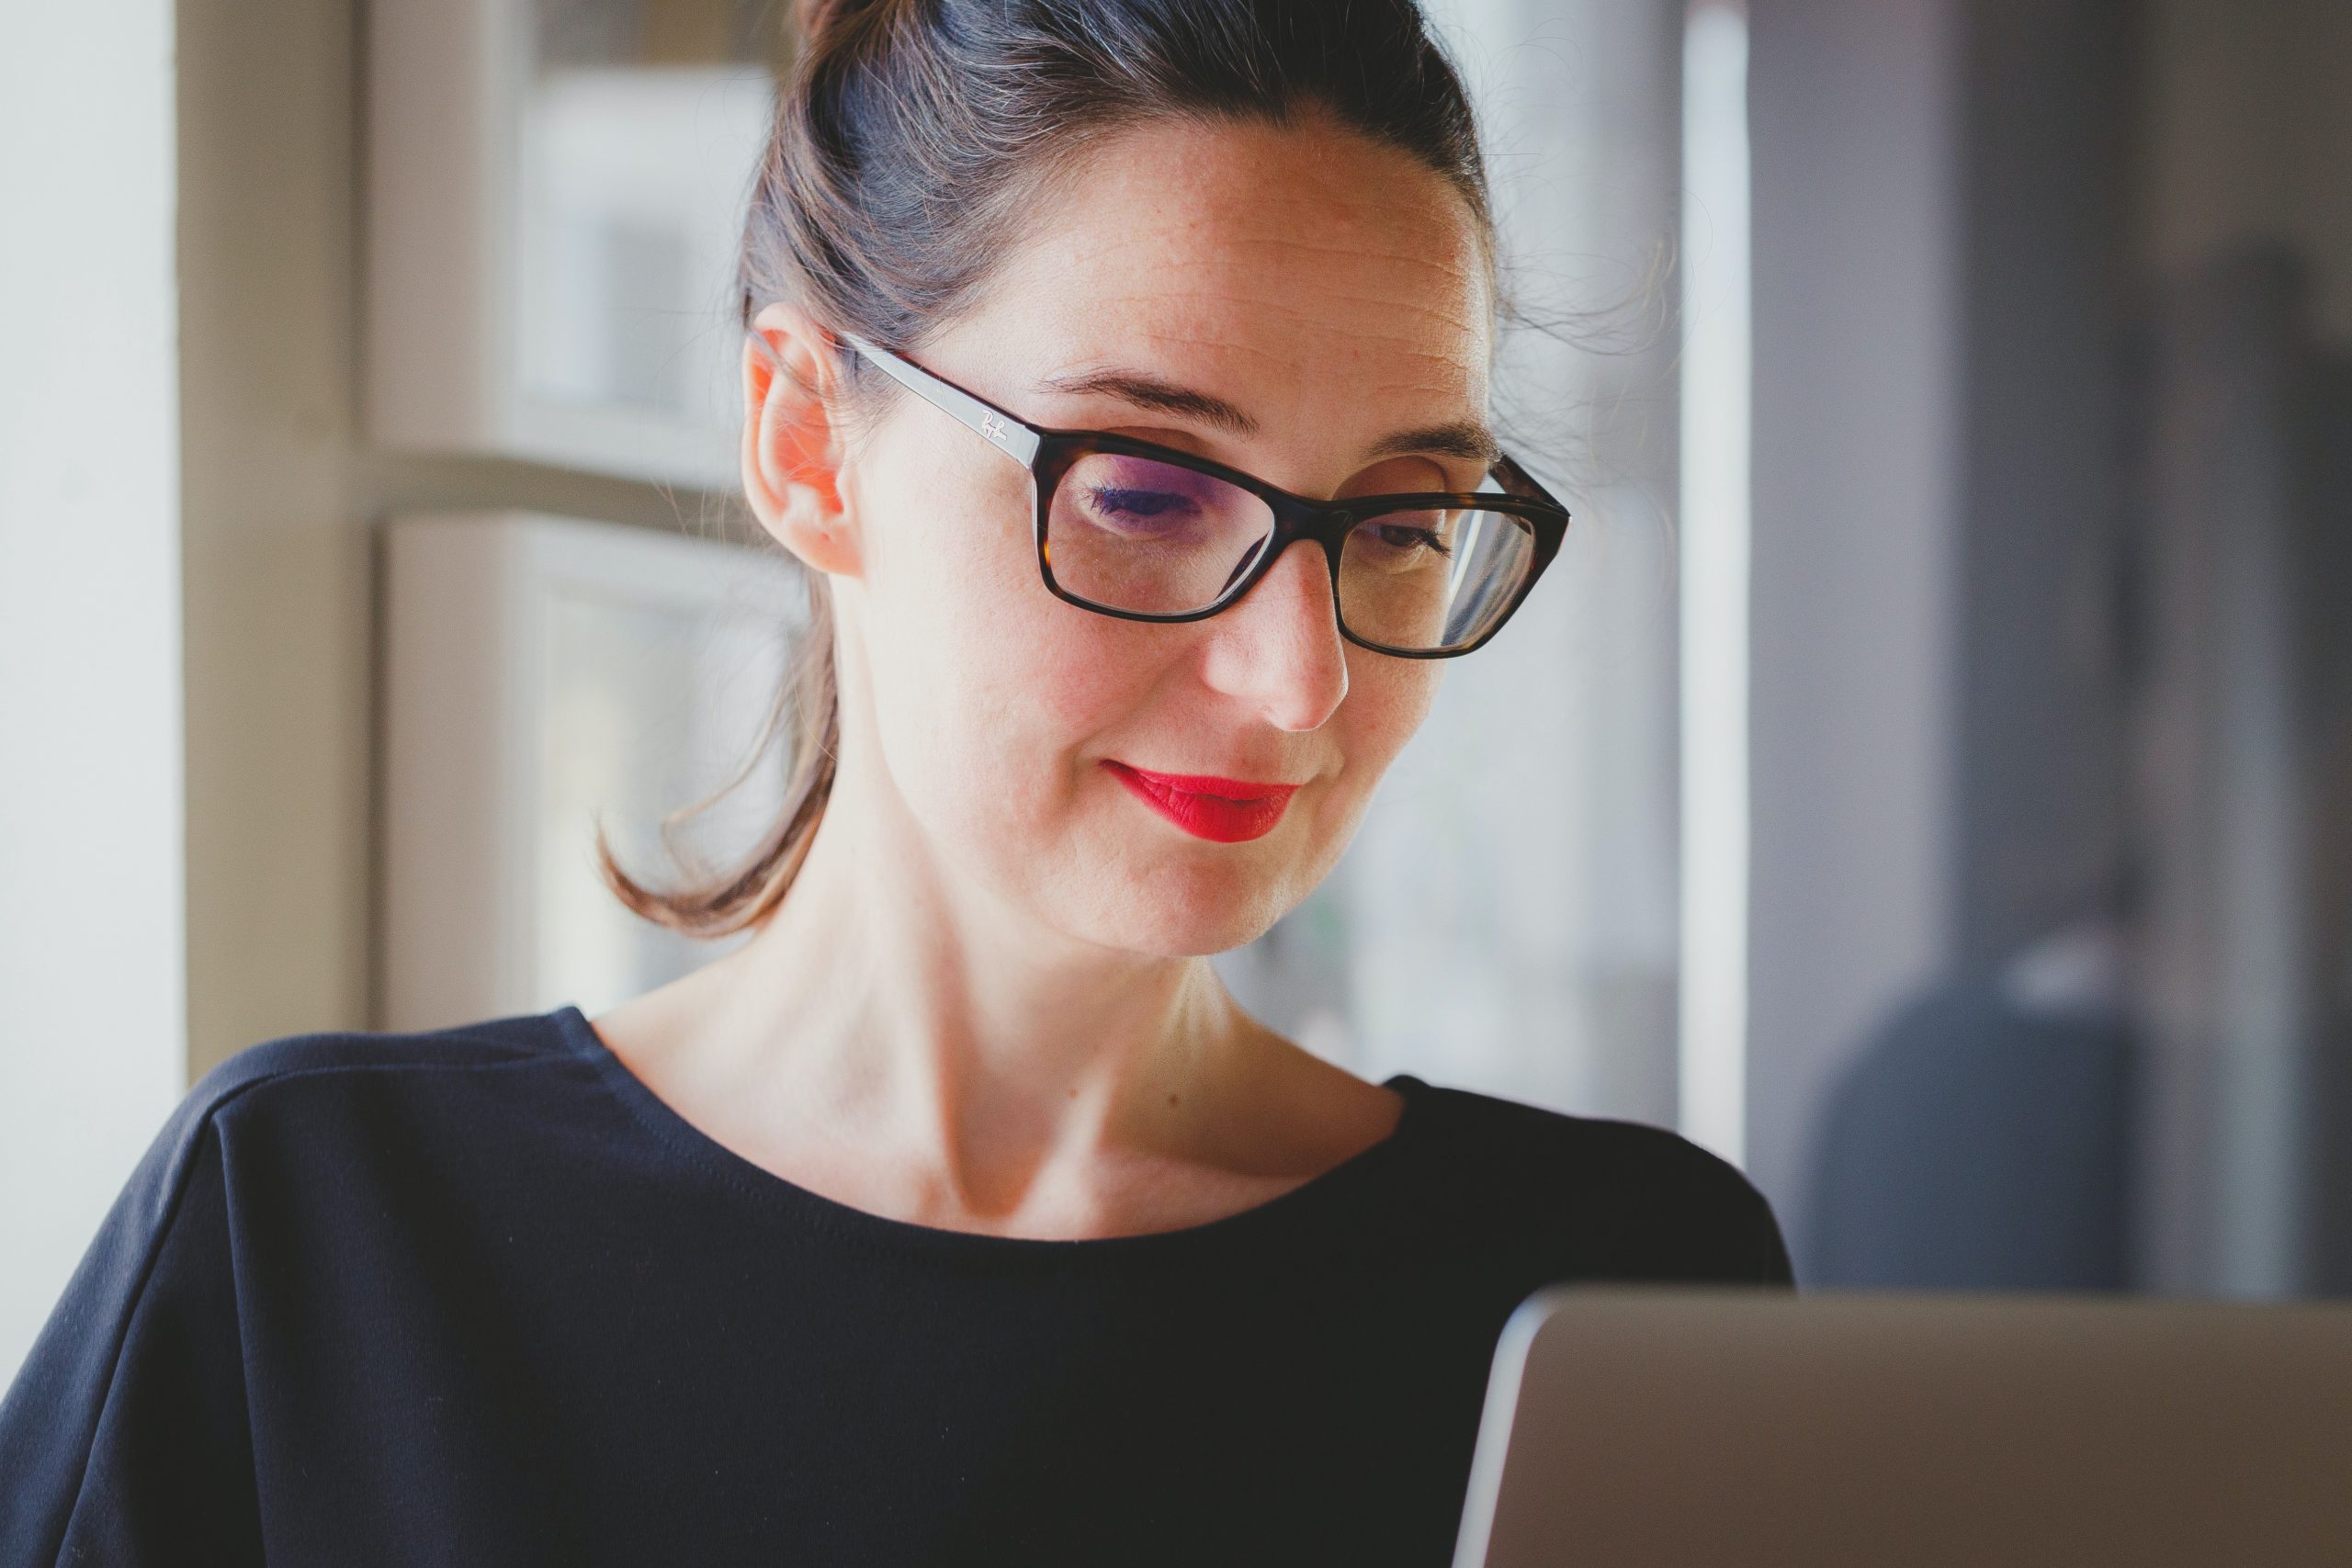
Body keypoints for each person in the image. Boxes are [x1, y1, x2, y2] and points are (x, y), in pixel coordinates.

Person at [0, 1, 1792, 1562]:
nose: (1299, 679)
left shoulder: (1600, 1300)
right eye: (1148, 489)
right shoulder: (316, 1238)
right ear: (803, 436)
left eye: (1397, 523)